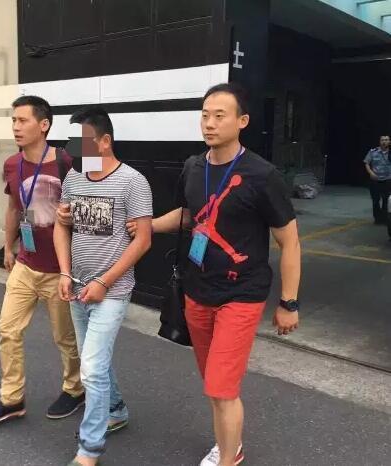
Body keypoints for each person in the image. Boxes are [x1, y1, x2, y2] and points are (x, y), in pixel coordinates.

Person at [127, 83, 301, 466]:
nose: (209, 123)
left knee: (221, 387)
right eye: (205, 115)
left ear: (243, 121)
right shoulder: (193, 167)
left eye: (219, 116)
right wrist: (146, 225)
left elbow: (289, 241)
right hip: (197, 291)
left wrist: (289, 302)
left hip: (242, 293)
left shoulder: (262, 175)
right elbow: (190, 215)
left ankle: (228, 459)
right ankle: (229, 446)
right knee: (214, 383)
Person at [0, 96, 84, 427]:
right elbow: (13, 209)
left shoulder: (69, 161)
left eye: (23, 120)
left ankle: (75, 389)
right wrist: (8, 247)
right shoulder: (12, 164)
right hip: (26, 263)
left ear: (44, 125)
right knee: (7, 329)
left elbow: (94, 202)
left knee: (65, 338)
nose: (16, 127)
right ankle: (12, 399)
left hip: (60, 270)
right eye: (13, 121)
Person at [53, 106, 153, 466]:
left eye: (81, 142)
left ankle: (89, 449)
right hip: (77, 287)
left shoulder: (133, 182)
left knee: (92, 368)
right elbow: (61, 226)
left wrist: (104, 282)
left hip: (113, 291)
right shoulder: (73, 178)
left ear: (105, 141)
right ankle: (116, 409)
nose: (74, 150)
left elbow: (143, 240)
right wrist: (65, 273)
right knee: (94, 361)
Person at [363, 135, 391, 225]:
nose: (384, 142)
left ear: (389, 142)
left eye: (386, 140)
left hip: (387, 179)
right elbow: (366, 163)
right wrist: (371, 173)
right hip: (375, 179)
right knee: (375, 200)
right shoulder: (373, 152)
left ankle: (385, 218)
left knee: (386, 200)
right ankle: (377, 218)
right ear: (379, 142)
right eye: (382, 140)